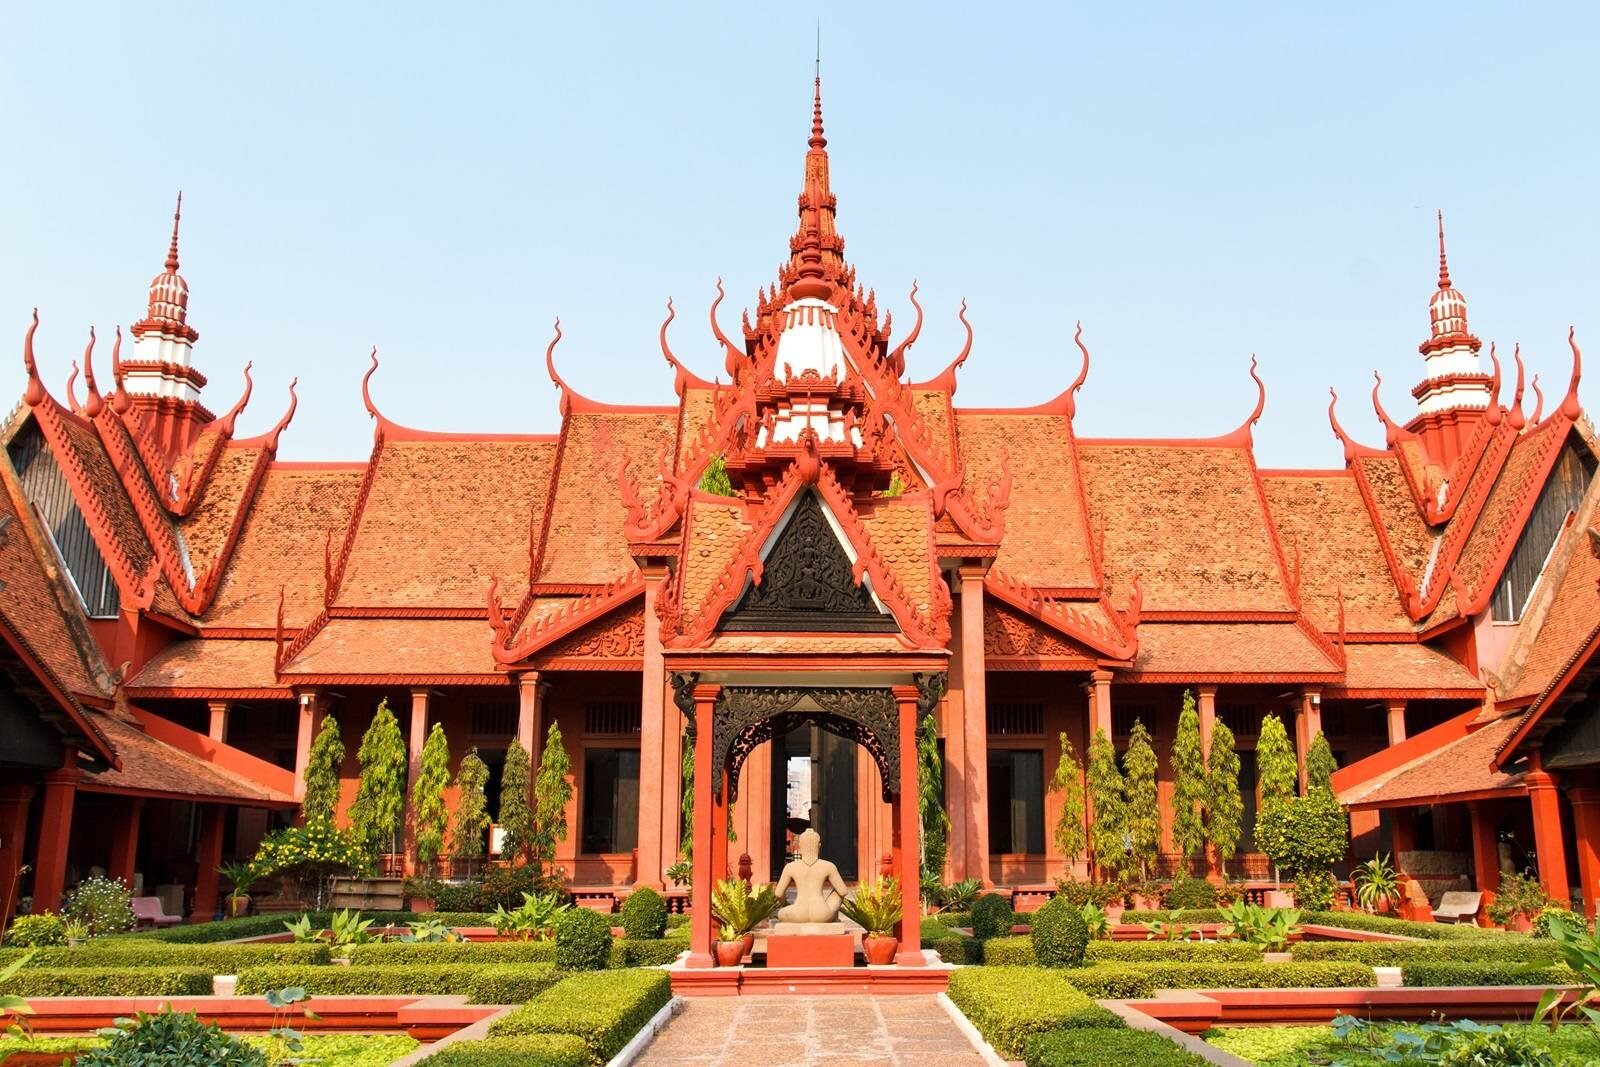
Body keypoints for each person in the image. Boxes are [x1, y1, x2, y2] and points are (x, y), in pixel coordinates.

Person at [773, 828, 849, 923]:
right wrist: (830, 905)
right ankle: (832, 915)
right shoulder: (828, 866)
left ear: (800, 845)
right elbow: (843, 891)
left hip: (798, 914)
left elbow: (778, 894)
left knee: (780, 913)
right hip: (822, 914)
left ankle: (792, 909)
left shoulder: (790, 867)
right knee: (838, 893)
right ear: (819, 845)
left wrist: (785, 904)